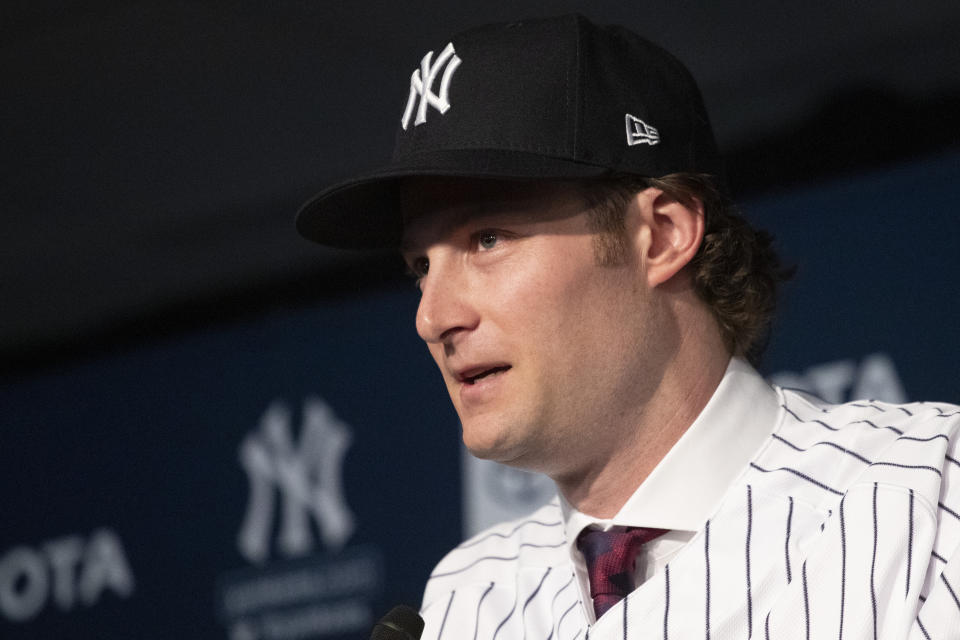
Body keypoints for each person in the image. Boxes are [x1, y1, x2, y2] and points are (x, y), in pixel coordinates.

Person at [295, 14, 960, 640]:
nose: (432, 316)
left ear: (662, 234)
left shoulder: (926, 494)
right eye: (420, 265)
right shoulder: (465, 601)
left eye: (488, 238)